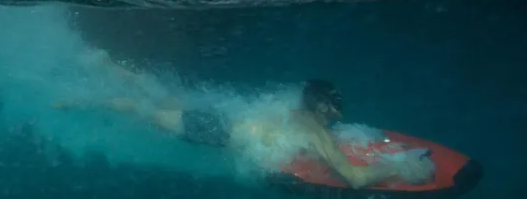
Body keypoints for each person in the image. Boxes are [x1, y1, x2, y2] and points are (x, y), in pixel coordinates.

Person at [56, 76, 435, 190]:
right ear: (321, 106)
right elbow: (353, 178)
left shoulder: (297, 113)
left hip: (221, 120)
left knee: (163, 99)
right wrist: (402, 166)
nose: (338, 113)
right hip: (213, 130)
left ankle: (106, 68)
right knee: (146, 111)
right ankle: (85, 98)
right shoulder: (315, 130)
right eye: (335, 107)